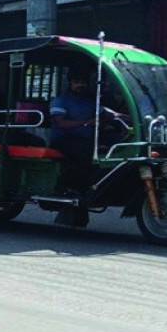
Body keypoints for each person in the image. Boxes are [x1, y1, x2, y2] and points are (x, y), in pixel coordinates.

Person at [49, 68, 126, 224]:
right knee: (87, 153)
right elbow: (61, 123)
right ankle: (78, 190)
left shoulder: (90, 103)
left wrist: (133, 118)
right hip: (63, 139)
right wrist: (87, 123)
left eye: (83, 82)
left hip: (86, 141)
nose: (80, 85)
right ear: (70, 83)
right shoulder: (60, 101)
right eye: (77, 82)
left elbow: (111, 114)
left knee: (116, 143)